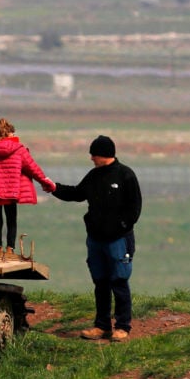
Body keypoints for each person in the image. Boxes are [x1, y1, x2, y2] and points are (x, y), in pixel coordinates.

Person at [48, 135, 142, 342]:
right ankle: (101, 326)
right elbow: (77, 193)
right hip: (95, 240)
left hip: (119, 240)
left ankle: (122, 326)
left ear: (104, 154)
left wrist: (121, 227)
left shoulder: (126, 175)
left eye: (94, 154)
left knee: (119, 281)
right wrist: (53, 188)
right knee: (100, 282)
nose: (91, 158)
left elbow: (134, 208)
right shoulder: (94, 175)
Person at [0, 118, 55, 257]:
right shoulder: (19, 150)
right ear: (10, 134)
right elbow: (33, 169)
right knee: (11, 220)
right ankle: (10, 248)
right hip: (11, 191)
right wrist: (46, 182)